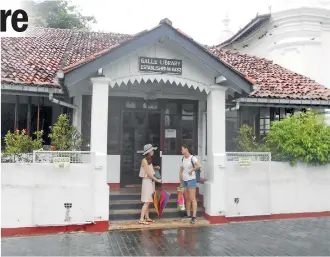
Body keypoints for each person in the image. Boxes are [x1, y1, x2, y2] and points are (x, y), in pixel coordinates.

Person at [139, 143, 162, 225]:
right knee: (146, 201)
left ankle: (147, 217)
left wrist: (155, 167)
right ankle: (141, 218)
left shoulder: (148, 160)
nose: (153, 151)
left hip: (150, 182)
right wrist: (157, 180)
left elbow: (148, 169)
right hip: (147, 182)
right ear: (148, 152)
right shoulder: (144, 160)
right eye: (152, 150)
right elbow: (148, 173)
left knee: (148, 201)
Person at [179, 144, 201, 224]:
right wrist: (180, 182)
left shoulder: (192, 158)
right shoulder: (182, 159)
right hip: (184, 180)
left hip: (191, 180)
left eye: (182, 149)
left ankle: (194, 216)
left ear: (186, 149)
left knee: (192, 198)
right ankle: (188, 215)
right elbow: (181, 171)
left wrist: (192, 170)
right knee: (187, 198)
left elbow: (199, 166)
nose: (181, 151)